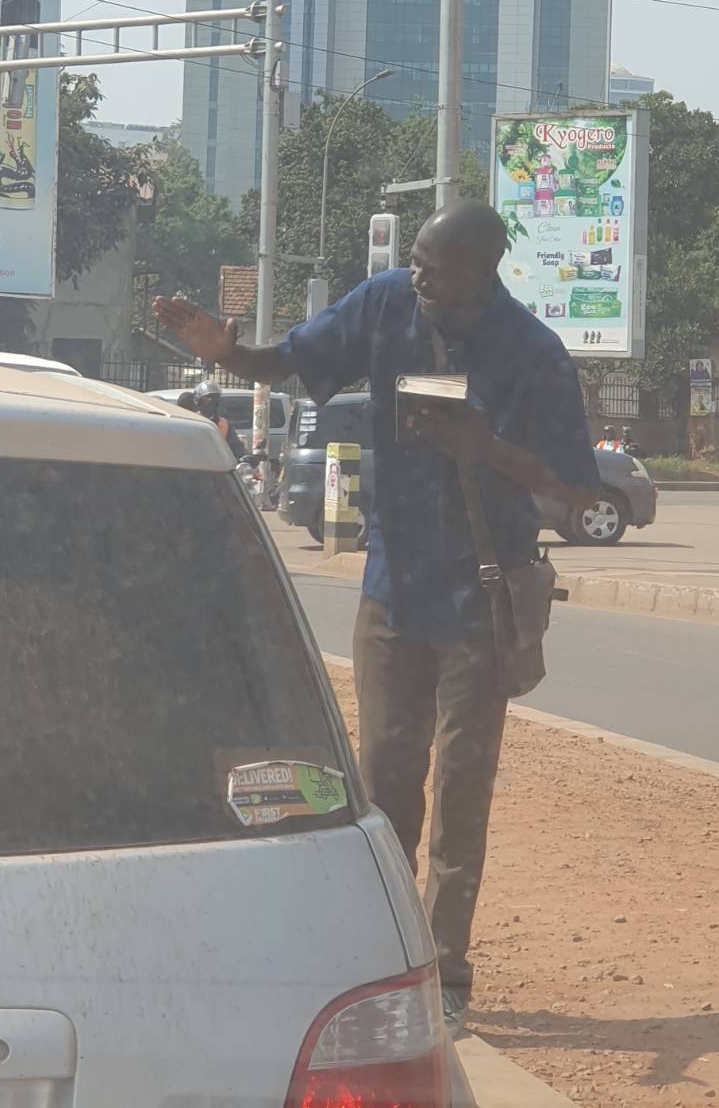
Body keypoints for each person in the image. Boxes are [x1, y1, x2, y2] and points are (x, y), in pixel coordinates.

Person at [154, 199, 599, 1032]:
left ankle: (449, 969)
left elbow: (578, 485)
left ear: (483, 271)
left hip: (480, 596)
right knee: (386, 780)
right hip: (395, 591)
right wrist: (226, 351)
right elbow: (283, 359)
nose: (418, 273)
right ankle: (386, 958)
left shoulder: (534, 352)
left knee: (464, 785)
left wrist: (486, 447)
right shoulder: (385, 302)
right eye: (418, 260)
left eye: (436, 265)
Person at [192, 380, 247, 461]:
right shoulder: (191, 422)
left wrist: (245, 457)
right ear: (198, 401)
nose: (212, 402)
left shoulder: (223, 424)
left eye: (215, 399)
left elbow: (236, 447)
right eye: (207, 399)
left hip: (220, 468)